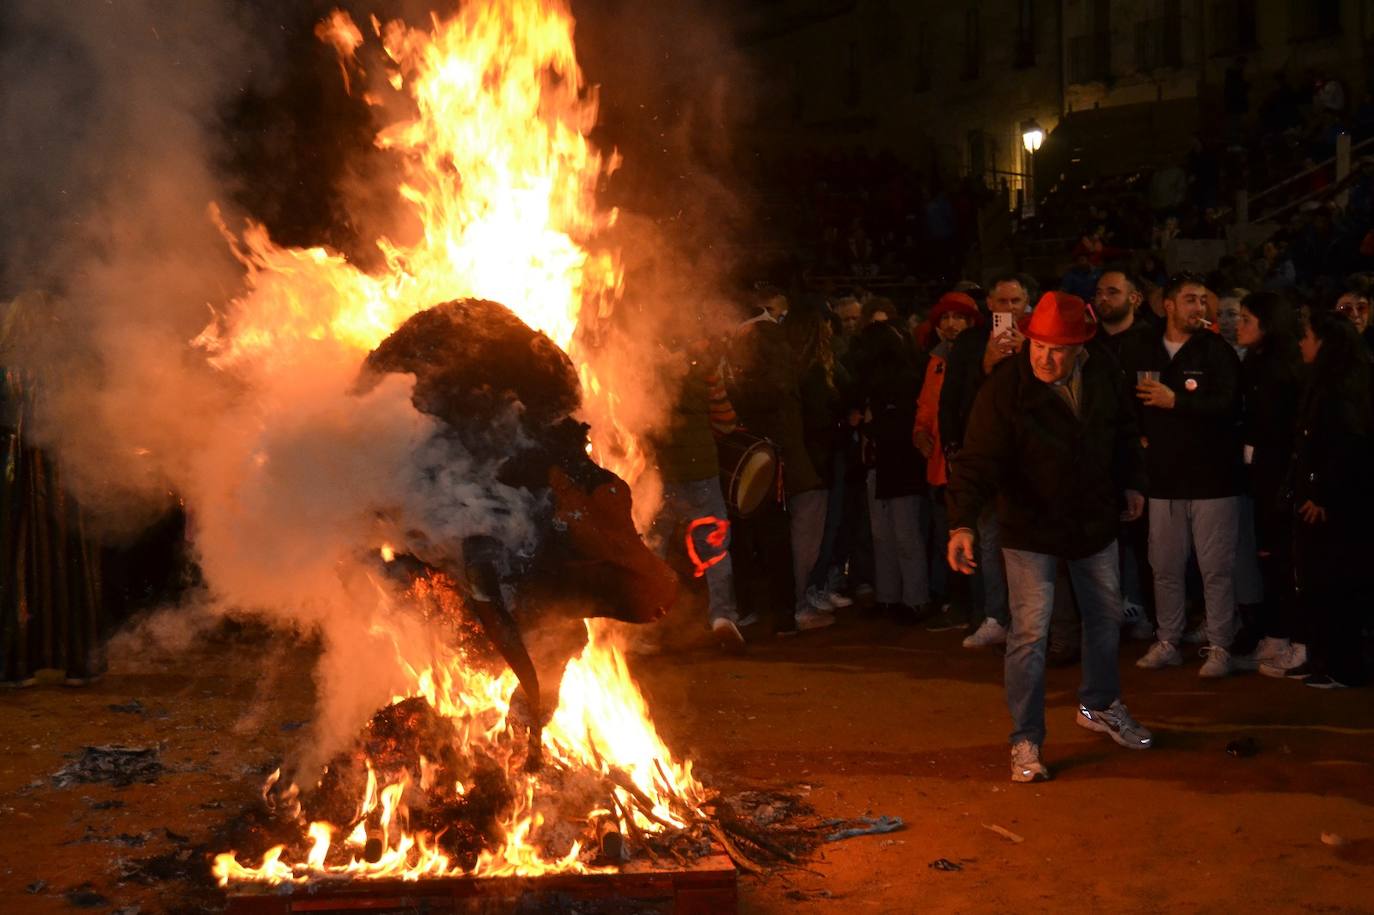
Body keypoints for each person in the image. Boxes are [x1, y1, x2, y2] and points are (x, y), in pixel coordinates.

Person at [947, 292, 1152, 783]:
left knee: (1104, 617)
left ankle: (1099, 706)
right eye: (1037, 344)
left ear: (1079, 348)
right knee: (1030, 635)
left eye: (1057, 348)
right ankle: (1026, 738)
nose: (1044, 356)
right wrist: (961, 523)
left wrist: (1132, 481)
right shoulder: (1004, 389)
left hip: (1092, 521)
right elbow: (976, 461)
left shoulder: (1101, 371)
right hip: (1030, 528)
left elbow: (1123, 430)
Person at [1120, 274, 1248, 677]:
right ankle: (1168, 640)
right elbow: (1123, 405)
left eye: (1202, 301)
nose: (1200, 308)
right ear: (1168, 305)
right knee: (1165, 565)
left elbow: (1229, 406)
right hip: (1162, 479)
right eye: (1190, 300)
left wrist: (1178, 400)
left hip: (1214, 480)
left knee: (1215, 568)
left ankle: (1221, 645)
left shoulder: (1216, 351)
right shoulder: (1141, 347)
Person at [1264, 309, 1373, 687]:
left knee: (1334, 583)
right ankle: (1331, 660)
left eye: (1307, 336)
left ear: (1325, 343)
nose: (1300, 343)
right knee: (1323, 583)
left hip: (1333, 509)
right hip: (1329, 503)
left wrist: (1321, 493)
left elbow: (1345, 448)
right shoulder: (1331, 385)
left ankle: (1344, 666)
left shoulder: (1337, 391)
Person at [936, 274, 1034, 636]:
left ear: (1027, 303)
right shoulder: (969, 343)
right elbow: (954, 398)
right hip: (984, 455)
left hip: (1029, 459)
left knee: (1028, 544)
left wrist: (1028, 353)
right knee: (989, 537)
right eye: (1002, 302)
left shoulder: (1041, 341)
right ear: (989, 304)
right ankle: (995, 616)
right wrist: (986, 364)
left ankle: (1030, 620)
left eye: (1016, 301)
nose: (1009, 309)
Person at [646, 335, 746, 650]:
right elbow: (727, 423)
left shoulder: (648, 375)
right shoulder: (706, 373)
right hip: (702, 474)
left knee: (653, 549)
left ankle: (646, 627)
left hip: (662, 477)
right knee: (714, 547)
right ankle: (722, 617)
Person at [1234, 292, 1303, 668]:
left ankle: (1284, 635)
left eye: (1246, 318)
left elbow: (1277, 427)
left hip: (1277, 477)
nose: (1238, 325)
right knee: (1268, 555)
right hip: (1263, 474)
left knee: (1279, 556)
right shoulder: (1257, 362)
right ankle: (1277, 632)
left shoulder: (1278, 368)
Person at [852, 319, 929, 621]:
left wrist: (868, 422)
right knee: (886, 535)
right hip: (885, 466)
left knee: (902, 535)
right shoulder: (889, 379)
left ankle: (913, 599)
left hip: (898, 466)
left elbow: (898, 427)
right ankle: (892, 597)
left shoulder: (901, 381)